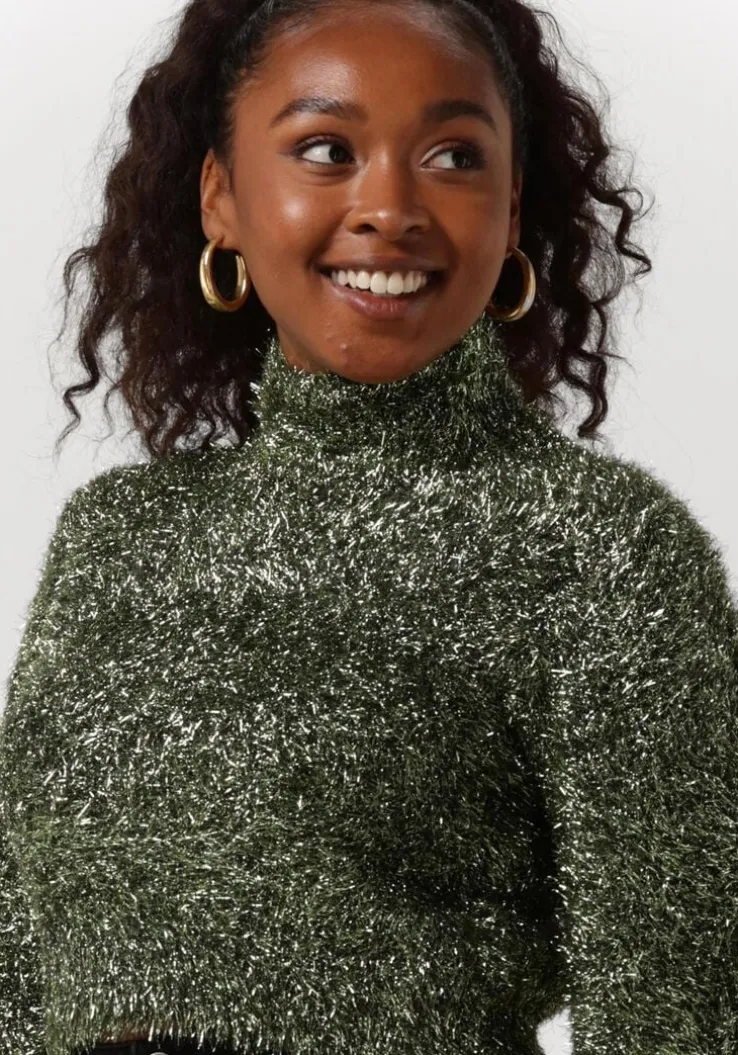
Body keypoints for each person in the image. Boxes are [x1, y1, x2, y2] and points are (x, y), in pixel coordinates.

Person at [3, 1, 736, 1055]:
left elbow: (677, 1016)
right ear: (221, 197)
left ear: (511, 207)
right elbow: (18, 966)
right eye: (326, 150)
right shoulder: (117, 538)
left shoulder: (596, 549)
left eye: (453, 156)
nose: (390, 207)